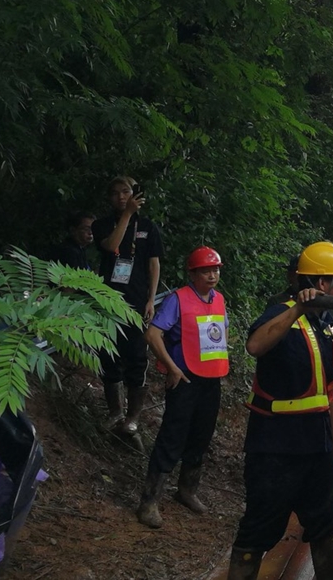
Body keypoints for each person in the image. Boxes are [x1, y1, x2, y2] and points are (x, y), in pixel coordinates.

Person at [228, 241, 333, 580]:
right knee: (259, 530)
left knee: (327, 526)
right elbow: (255, 345)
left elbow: (330, 391)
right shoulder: (280, 312)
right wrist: (296, 308)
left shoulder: (329, 325)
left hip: (318, 447)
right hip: (275, 449)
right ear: (322, 284)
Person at [137, 246, 228, 528]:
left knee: (201, 436)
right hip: (185, 379)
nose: (212, 275)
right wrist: (172, 367)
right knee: (172, 437)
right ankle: (149, 501)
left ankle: (187, 491)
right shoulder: (178, 299)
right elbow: (153, 334)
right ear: (192, 273)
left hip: (211, 380)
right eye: (206, 271)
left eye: (215, 270)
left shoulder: (219, 300)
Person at [91, 175, 163, 433]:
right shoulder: (101, 225)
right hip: (107, 301)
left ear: (136, 194)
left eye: (126, 192)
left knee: (135, 357)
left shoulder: (148, 227)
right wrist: (126, 216)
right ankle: (114, 412)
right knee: (108, 354)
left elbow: (154, 264)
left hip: (136, 302)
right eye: (116, 193)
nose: (121, 197)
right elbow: (111, 246)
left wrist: (151, 300)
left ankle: (132, 418)